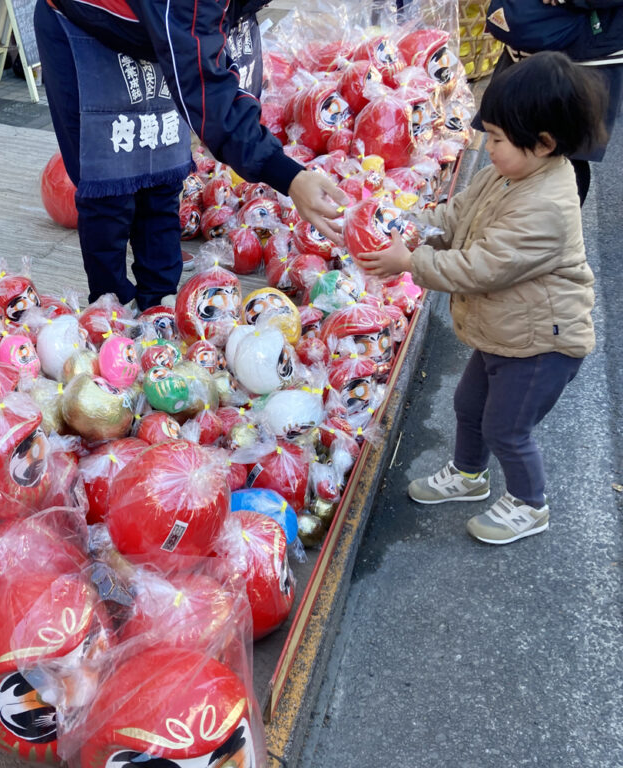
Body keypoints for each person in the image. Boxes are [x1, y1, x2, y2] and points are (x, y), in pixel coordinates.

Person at [356, 51, 607, 545]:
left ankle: (530, 504)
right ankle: (469, 474)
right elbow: (458, 216)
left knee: (506, 429)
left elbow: (479, 267)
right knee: (468, 405)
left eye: (495, 138)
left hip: (542, 344)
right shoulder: (507, 172)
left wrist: (411, 262)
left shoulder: (547, 206)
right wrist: (413, 226)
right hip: (506, 329)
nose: (485, 146)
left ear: (544, 143)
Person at [33, 0, 346, 311]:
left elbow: (210, 56)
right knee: (109, 187)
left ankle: (158, 302)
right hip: (85, 24)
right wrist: (289, 176)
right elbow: (209, 94)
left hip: (162, 30)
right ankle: (109, 309)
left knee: (164, 174)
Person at [482, 0, 623, 205]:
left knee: (564, 154)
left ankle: (551, 219)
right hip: (526, 34)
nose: (487, 147)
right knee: (510, 139)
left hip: (583, 52)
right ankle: (508, 211)